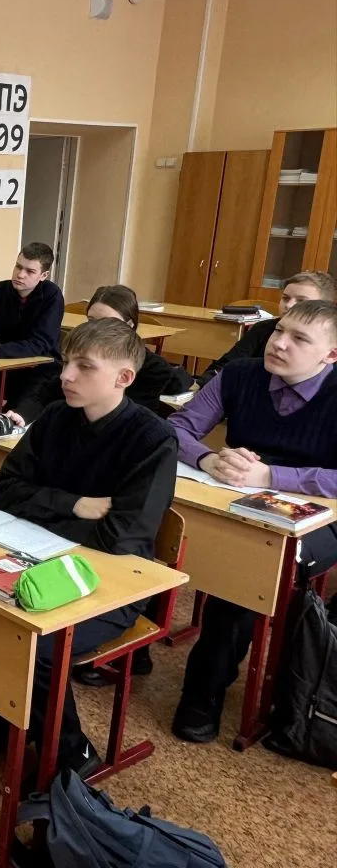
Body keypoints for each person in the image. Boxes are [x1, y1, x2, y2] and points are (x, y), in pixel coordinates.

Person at [0, 319, 178, 781]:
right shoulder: (56, 416)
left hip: (112, 582)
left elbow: (121, 537)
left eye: (84, 367)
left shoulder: (152, 439)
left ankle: (71, 751)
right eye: (66, 362)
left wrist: (43, 511)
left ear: (123, 378)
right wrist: (74, 504)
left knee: (40, 643)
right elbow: (5, 490)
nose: (66, 376)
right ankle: (6, 718)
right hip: (36, 554)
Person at [170, 299, 337, 743]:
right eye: (279, 330)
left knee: (248, 566)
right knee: (163, 527)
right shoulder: (240, 375)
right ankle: (129, 645)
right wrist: (207, 459)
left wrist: (271, 476)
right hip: (238, 499)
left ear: (330, 355)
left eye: (299, 339)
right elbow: (176, 428)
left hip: (318, 516)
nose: (279, 344)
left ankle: (204, 689)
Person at [6, 284, 192, 425]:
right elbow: (46, 391)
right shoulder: (77, 353)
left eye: (107, 322)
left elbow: (131, 417)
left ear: (129, 326)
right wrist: (22, 414)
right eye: (91, 321)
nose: (96, 329)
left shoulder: (153, 368)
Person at [197, 271, 337, 386]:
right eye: (285, 298)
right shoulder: (263, 328)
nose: (289, 305)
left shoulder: (331, 340)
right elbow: (226, 365)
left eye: (301, 301)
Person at [0, 241, 64, 404]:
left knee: (20, 405)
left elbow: (40, 344)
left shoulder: (52, 295)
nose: (20, 275)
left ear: (43, 275)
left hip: (41, 367)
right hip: (8, 362)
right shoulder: (2, 289)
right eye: (18, 267)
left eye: (30, 271)